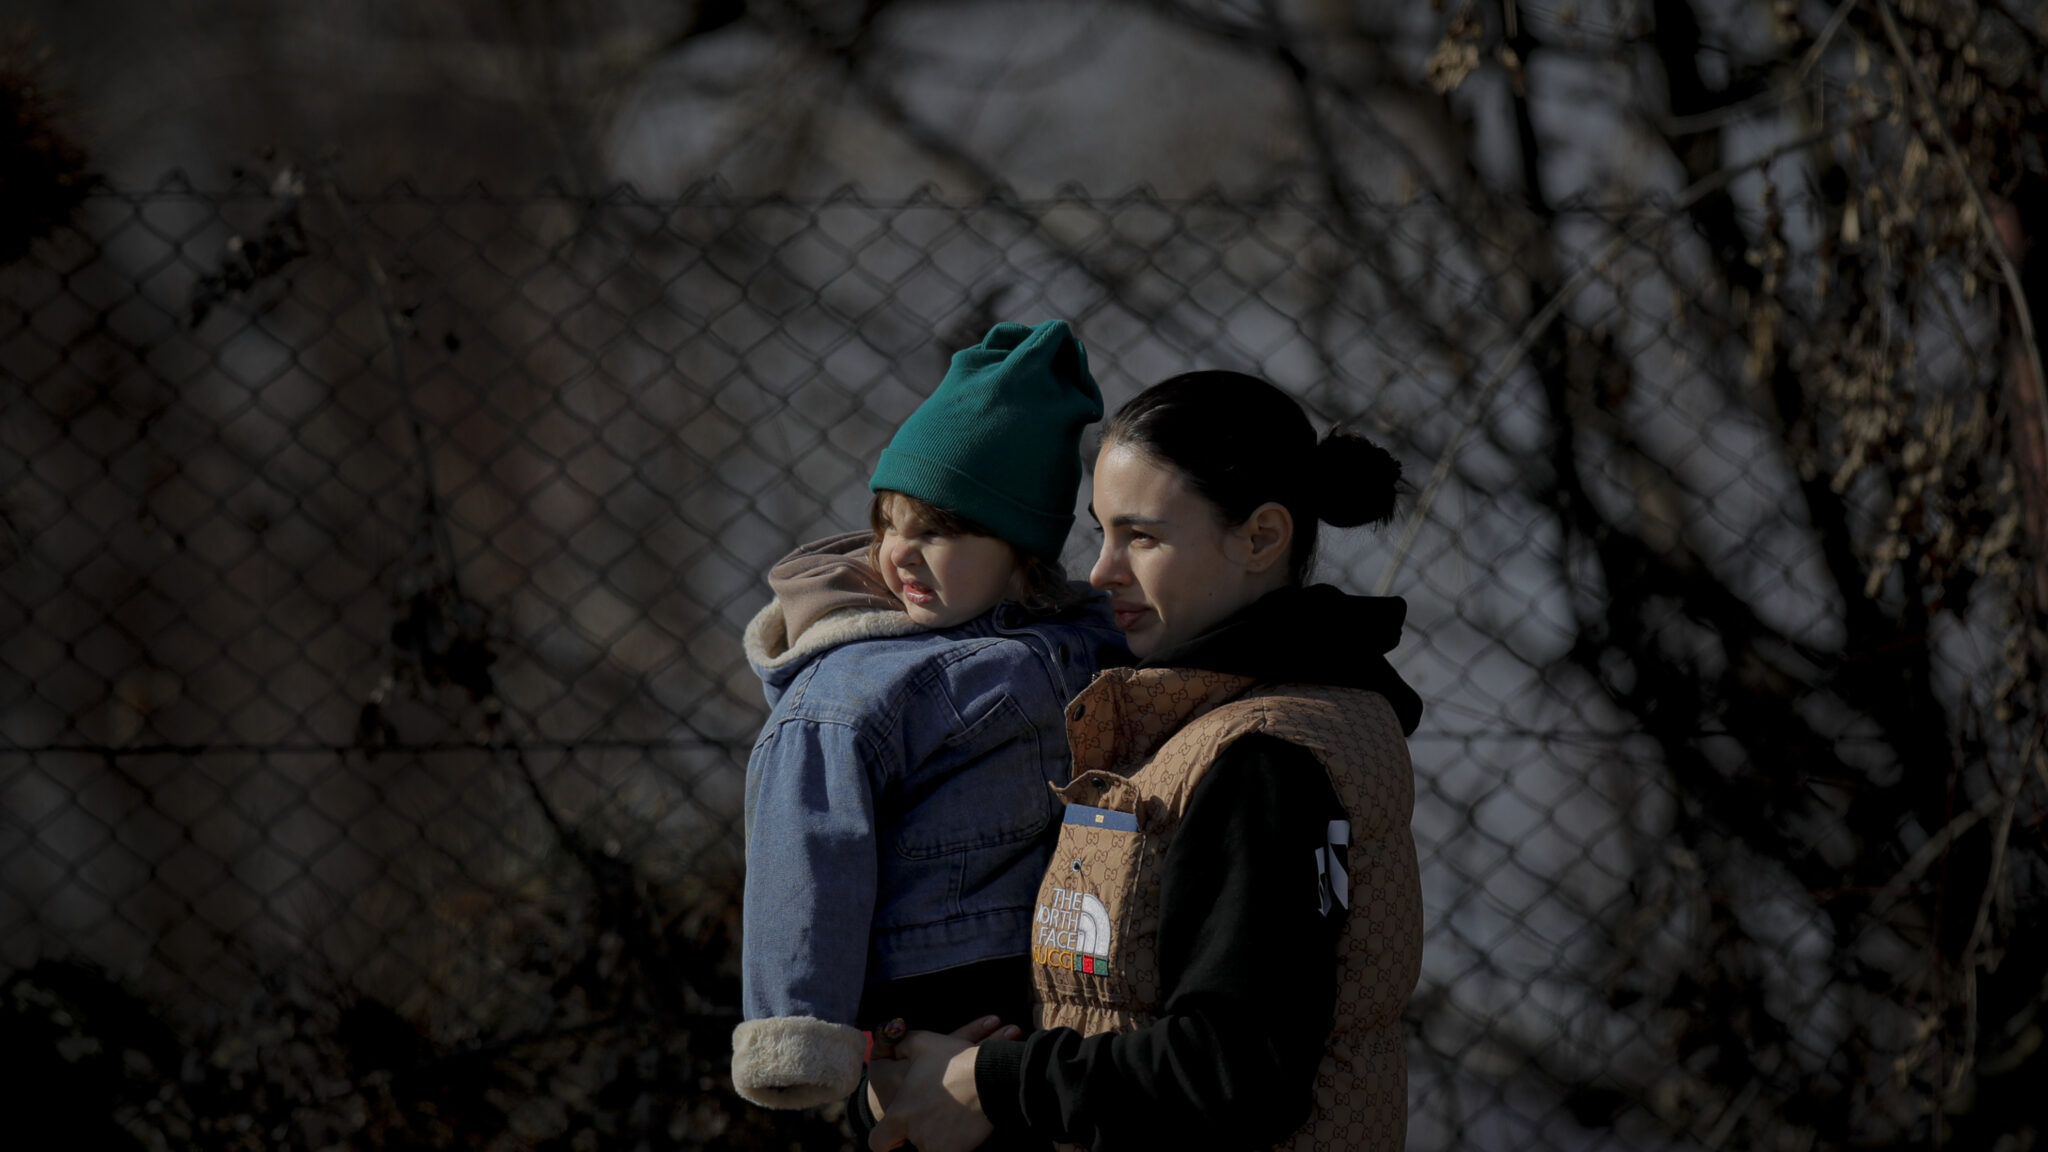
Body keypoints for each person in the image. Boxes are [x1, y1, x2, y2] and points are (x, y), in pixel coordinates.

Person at [863, 370, 1426, 1152]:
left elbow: (1235, 1072)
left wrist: (994, 1084)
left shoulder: (1264, 758)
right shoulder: (1195, 727)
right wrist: (942, 1070)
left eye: (1143, 537)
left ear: (1262, 538)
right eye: (1102, 532)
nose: (1102, 571)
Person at [730, 320, 1128, 1111]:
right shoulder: (852, 691)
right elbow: (809, 849)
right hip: (932, 986)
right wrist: (801, 1027)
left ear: (1022, 550)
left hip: (1070, 970)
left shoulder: (1088, 636)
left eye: (937, 530)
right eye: (888, 524)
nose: (899, 552)